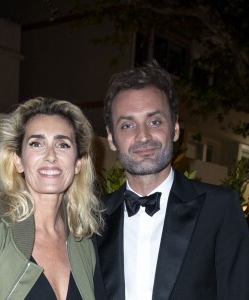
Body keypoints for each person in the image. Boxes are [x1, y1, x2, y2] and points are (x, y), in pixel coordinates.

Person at [95, 61, 249, 300]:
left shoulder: (219, 209)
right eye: (127, 125)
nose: (143, 136)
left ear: (175, 128)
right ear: (112, 138)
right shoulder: (93, 220)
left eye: (155, 121)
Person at [0, 97, 104, 299]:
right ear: (18, 161)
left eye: (63, 145)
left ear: (78, 163)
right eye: (36, 143)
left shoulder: (84, 244)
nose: (50, 155)